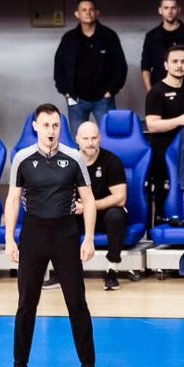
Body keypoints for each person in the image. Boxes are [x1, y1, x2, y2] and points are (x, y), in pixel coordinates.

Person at [4, 103, 97, 367]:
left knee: (76, 301)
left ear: (61, 128)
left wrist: (89, 238)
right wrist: (9, 238)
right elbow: (12, 199)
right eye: (46, 125)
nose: (51, 130)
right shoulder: (22, 158)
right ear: (35, 126)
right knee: (26, 303)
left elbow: (89, 199)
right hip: (33, 233)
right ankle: (19, 365)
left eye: (55, 125)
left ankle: (88, 365)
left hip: (65, 233)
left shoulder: (73, 158)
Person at [74, 121, 135, 291]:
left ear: (100, 138)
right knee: (59, 214)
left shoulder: (111, 161)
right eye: (86, 138)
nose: (90, 142)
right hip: (78, 213)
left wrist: (89, 206)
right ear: (77, 139)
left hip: (104, 213)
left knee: (117, 215)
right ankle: (61, 271)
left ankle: (112, 271)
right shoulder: (69, 162)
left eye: (94, 138)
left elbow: (120, 198)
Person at [53, 0, 127, 135]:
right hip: (76, 99)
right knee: (78, 141)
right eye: (84, 10)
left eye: (91, 9)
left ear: (97, 13)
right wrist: (66, 92)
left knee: (109, 138)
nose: (88, 13)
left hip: (104, 99)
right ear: (77, 14)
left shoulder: (109, 36)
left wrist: (110, 91)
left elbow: (120, 66)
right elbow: (59, 66)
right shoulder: (69, 38)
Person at [145, 45, 184, 225]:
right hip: (163, 153)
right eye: (175, 61)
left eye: (183, 62)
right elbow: (152, 125)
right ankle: (160, 228)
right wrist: (180, 120)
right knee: (165, 192)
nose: (179, 65)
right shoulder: (156, 92)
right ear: (166, 65)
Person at [140, 0, 184, 91]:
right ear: (160, 10)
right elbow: (145, 67)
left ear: (179, 9)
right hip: (158, 90)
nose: (170, 11)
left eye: (173, 8)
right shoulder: (151, 36)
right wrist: (150, 92)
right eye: (166, 8)